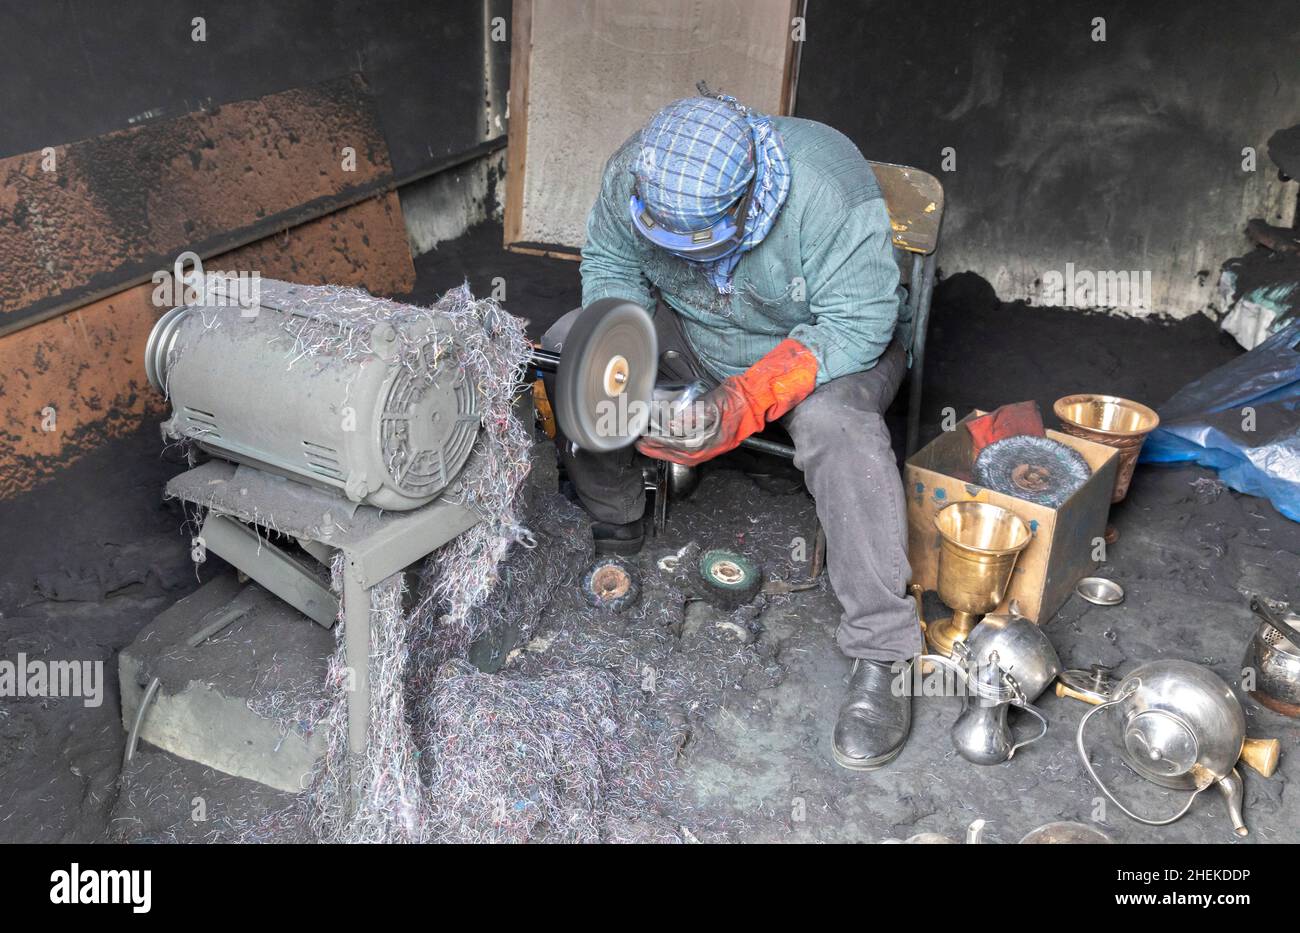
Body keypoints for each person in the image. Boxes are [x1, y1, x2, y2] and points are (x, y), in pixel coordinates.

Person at [542, 90, 921, 770]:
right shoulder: (641, 169)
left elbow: (860, 322)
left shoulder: (827, 187)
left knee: (838, 426)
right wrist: (626, 367)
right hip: (701, 337)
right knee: (576, 345)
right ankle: (616, 522)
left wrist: (743, 402)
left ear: (749, 205)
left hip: (824, 350)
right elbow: (610, 269)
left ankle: (882, 649)